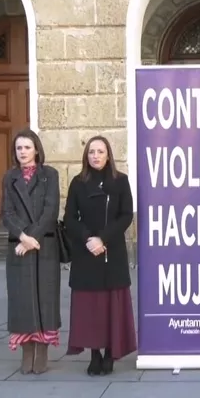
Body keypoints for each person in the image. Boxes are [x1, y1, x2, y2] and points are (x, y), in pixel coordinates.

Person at [63, 135, 136, 376]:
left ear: (108, 155)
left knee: (110, 307)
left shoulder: (121, 181)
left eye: (100, 151)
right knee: (91, 309)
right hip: (86, 253)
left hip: (111, 251)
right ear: (86, 156)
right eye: (91, 152)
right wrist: (88, 238)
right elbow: (70, 219)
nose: (95, 156)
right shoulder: (77, 183)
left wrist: (103, 238)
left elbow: (126, 215)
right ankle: (94, 354)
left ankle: (109, 354)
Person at [2, 129, 62, 375]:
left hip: (44, 244)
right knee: (21, 299)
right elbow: (6, 212)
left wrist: (32, 238)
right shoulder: (10, 177)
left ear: (36, 149)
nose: (23, 152)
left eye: (27, 147)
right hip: (19, 245)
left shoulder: (50, 175)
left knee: (45, 299)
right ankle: (27, 350)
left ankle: (43, 349)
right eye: (19, 148)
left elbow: (51, 210)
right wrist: (23, 236)